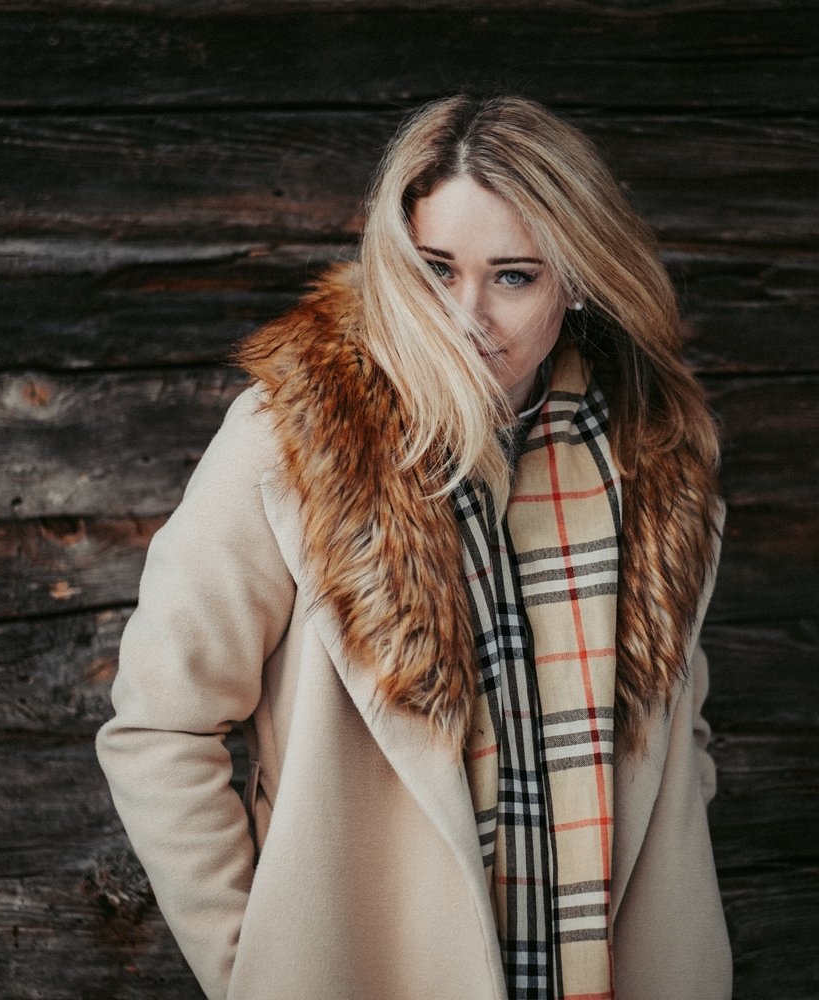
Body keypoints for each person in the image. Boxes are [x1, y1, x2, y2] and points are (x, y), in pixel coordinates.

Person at [96, 93, 731, 1000]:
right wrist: (259, 969)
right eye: (436, 269)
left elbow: (681, 733)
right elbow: (158, 726)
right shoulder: (294, 444)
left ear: (577, 279)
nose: (465, 315)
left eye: (514, 276)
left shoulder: (653, 465)